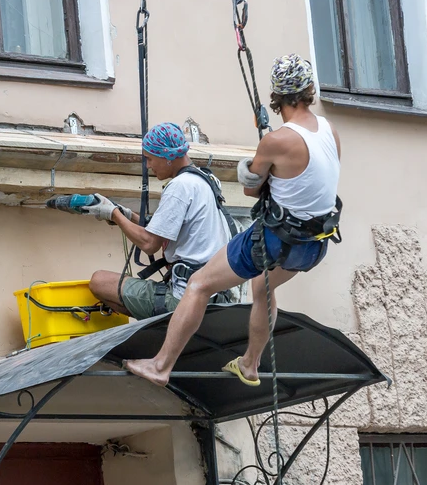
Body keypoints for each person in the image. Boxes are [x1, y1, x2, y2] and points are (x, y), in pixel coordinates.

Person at [124, 54, 342, 386]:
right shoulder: (330, 132)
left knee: (198, 284)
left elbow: (252, 190)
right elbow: (307, 182)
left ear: (276, 96)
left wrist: (253, 167)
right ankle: (250, 364)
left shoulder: (277, 140)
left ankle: (160, 367)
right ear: (309, 89)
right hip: (314, 246)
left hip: (275, 240)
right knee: (262, 287)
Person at [80, 122, 237, 320]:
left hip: (185, 299)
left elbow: (149, 244)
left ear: (167, 157)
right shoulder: (206, 180)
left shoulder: (179, 186)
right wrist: (128, 216)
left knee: (99, 281)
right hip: (215, 296)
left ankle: (163, 326)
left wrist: (114, 215)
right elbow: (165, 229)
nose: (148, 166)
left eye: (149, 158)